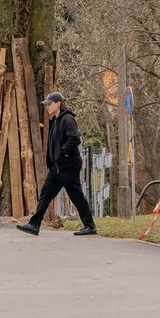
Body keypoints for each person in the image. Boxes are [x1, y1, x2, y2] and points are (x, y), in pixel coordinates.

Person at [16, 92, 97, 236]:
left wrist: (61, 153)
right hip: (57, 167)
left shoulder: (67, 119)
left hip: (68, 166)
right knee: (45, 194)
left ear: (58, 103)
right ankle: (34, 225)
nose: (47, 106)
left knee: (76, 195)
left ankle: (90, 226)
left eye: (49, 103)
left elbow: (75, 139)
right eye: (46, 104)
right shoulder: (56, 120)